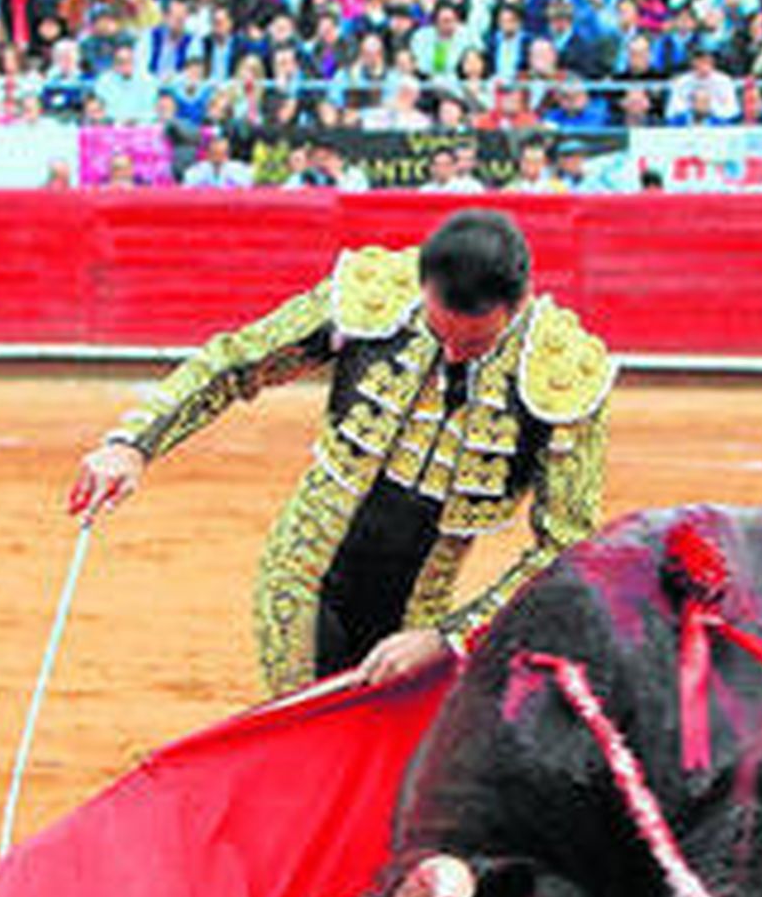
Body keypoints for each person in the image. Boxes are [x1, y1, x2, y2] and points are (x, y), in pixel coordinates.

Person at [67, 210, 616, 696]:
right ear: (422, 284)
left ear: (517, 303)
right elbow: (236, 362)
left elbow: (566, 545)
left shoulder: (564, 372)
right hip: (302, 577)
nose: (451, 353)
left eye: (472, 345)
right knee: (303, 750)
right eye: (438, 330)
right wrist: (133, 444)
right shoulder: (373, 296)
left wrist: (449, 636)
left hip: (418, 613)